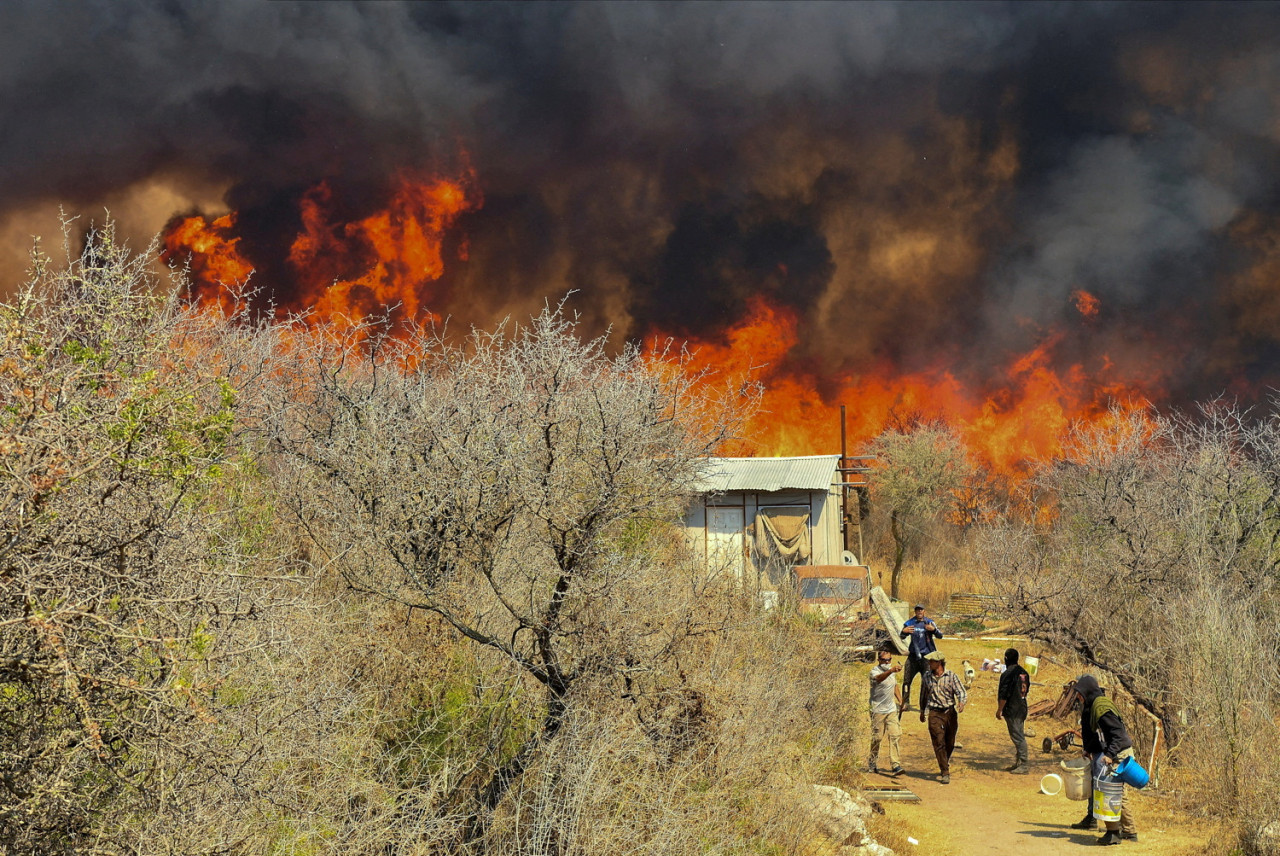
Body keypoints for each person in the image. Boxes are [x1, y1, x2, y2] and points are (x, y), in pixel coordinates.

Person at [1068, 674, 1138, 845]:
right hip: (1116, 752)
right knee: (1117, 794)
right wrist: (1089, 749)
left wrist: (1109, 755)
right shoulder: (1094, 706)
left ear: (1087, 692)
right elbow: (1098, 734)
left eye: (1080, 693)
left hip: (1119, 754)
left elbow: (1117, 735)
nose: (1078, 696)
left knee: (1112, 793)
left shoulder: (1102, 708)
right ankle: (1128, 831)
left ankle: (1116, 833)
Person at [919, 650, 966, 784]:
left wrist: (961, 703)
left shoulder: (951, 676)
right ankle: (945, 771)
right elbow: (923, 695)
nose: (929, 663)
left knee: (949, 742)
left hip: (949, 712)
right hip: (934, 713)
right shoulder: (926, 677)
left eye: (931, 661)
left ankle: (943, 760)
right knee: (938, 741)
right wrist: (922, 711)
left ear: (939, 662)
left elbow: (961, 692)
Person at [867, 647, 904, 776]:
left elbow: (894, 685)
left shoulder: (891, 672)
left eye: (889, 660)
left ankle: (895, 765)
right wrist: (891, 670)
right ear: (878, 660)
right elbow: (879, 679)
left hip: (891, 709)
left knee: (895, 735)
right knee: (877, 738)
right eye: (884, 660)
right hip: (878, 709)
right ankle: (872, 763)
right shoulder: (874, 672)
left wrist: (900, 700)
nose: (887, 662)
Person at [900, 604, 943, 709]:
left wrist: (933, 630)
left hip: (927, 658)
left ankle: (926, 705)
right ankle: (905, 703)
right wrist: (903, 632)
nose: (919, 611)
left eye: (921, 609)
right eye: (917, 610)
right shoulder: (910, 623)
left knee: (927, 683)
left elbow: (940, 636)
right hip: (913, 657)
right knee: (906, 681)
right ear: (915, 611)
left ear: (924, 611)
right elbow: (901, 636)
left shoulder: (929, 622)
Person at [995, 647, 1030, 773]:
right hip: (1022, 707)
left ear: (1006, 659)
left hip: (1012, 709)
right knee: (1018, 734)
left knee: (1018, 737)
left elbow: (1004, 694)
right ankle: (1019, 762)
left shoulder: (1007, 674)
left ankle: (1024, 765)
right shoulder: (1024, 672)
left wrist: (999, 710)